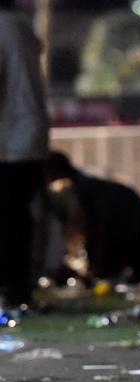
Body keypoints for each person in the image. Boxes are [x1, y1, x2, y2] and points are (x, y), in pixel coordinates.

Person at [45, 151, 140, 283]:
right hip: (130, 212)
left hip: (129, 216)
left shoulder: (83, 186)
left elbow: (97, 226)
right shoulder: (81, 180)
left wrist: (94, 266)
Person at [0, 0, 49, 307]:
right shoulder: (21, 25)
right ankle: (18, 291)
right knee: (17, 221)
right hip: (30, 138)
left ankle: (10, 291)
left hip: (8, 141)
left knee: (7, 221)